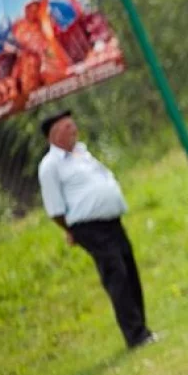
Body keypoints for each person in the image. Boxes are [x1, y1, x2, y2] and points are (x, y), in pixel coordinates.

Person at [37, 109, 156, 349]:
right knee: (117, 274)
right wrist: (70, 230)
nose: (74, 130)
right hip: (88, 227)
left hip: (111, 221)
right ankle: (135, 335)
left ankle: (143, 329)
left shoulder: (82, 152)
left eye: (73, 125)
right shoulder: (50, 166)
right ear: (55, 134)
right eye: (67, 127)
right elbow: (55, 209)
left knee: (129, 270)